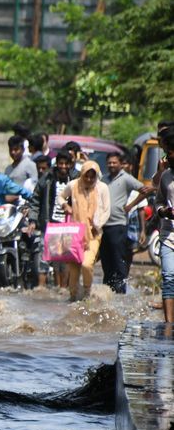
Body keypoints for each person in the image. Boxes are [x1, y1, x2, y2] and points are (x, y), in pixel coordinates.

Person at [99, 152, 153, 293]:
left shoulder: (126, 178)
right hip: (103, 225)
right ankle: (107, 291)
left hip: (118, 225)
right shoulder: (103, 179)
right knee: (106, 260)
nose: (111, 165)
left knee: (119, 259)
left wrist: (131, 205)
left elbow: (145, 190)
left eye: (114, 162)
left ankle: (120, 292)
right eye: (109, 162)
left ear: (120, 164)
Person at [57, 160, 110, 301]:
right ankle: (73, 297)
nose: (89, 179)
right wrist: (65, 206)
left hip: (93, 233)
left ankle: (87, 292)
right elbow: (60, 196)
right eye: (86, 176)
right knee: (73, 269)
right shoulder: (73, 185)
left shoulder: (102, 188)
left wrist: (97, 225)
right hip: (75, 233)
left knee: (87, 264)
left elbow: (106, 211)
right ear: (82, 174)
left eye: (92, 176)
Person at [28, 150, 79, 288]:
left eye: (66, 164)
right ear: (56, 163)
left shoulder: (76, 179)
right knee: (44, 257)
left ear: (70, 164)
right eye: (61, 163)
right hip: (49, 224)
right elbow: (35, 200)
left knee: (64, 260)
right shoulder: (47, 178)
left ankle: (63, 289)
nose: (63, 166)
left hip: (68, 225)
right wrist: (32, 220)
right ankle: (41, 288)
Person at [155, 126, 174, 322]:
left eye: (170, 152)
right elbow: (159, 201)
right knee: (168, 277)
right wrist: (163, 211)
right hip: (168, 235)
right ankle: (169, 324)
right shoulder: (166, 176)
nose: (168, 157)